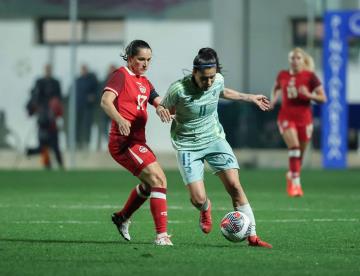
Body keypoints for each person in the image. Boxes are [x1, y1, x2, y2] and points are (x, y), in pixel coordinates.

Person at [156, 47, 272, 248]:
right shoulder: (178, 89)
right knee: (198, 198)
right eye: (204, 78)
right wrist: (162, 111)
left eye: (211, 77)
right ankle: (205, 208)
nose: (208, 82)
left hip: (214, 139)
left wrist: (250, 97)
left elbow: (222, 91)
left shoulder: (217, 80)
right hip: (187, 145)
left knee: (235, 185)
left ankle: (253, 236)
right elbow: (162, 105)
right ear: (194, 73)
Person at [100, 40, 173, 246]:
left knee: (150, 185)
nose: (145, 63)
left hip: (137, 141)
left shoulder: (144, 81)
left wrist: (160, 107)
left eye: (149, 60)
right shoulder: (120, 75)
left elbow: (155, 98)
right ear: (130, 58)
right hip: (124, 142)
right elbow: (105, 102)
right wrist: (120, 119)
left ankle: (122, 217)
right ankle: (162, 236)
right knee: (159, 179)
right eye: (141, 59)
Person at [270, 47, 326, 197]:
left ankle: (291, 175)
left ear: (303, 60)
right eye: (292, 58)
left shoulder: (310, 76)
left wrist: (309, 95)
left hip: (304, 119)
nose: (295, 61)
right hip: (286, 117)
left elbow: (323, 98)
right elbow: (276, 88)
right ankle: (296, 185)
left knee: (299, 155)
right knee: (294, 148)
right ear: (289, 60)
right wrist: (274, 99)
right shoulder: (282, 75)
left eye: (298, 58)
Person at [26, 64, 64, 169]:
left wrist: (57, 114)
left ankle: (61, 166)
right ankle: (47, 166)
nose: (48, 71)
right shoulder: (39, 83)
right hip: (42, 119)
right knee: (43, 145)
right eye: (46, 69)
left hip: (52, 120)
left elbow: (59, 100)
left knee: (55, 145)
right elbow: (34, 99)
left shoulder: (56, 83)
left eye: (49, 69)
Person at [76, 64, 99, 150]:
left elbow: (96, 91)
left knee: (87, 125)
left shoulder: (91, 80)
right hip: (79, 107)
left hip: (88, 107)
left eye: (85, 69)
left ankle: (87, 142)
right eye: (82, 69)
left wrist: (93, 97)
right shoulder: (78, 80)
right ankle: (78, 142)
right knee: (78, 125)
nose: (83, 71)